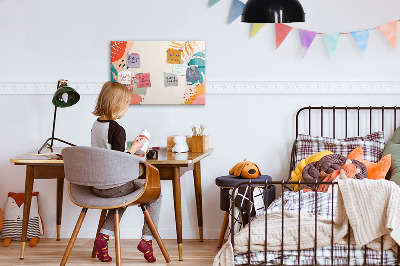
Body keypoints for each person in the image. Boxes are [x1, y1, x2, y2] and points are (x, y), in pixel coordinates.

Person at [91, 81, 161, 263]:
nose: (126, 109)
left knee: (122, 198)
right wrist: (135, 149)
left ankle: (103, 238)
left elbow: (108, 154)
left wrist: (130, 150)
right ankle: (147, 240)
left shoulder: (96, 125)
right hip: (114, 186)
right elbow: (118, 161)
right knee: (156, 194)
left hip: (97, 186)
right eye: (126, 105)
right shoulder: (117, 129)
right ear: (117, 105)